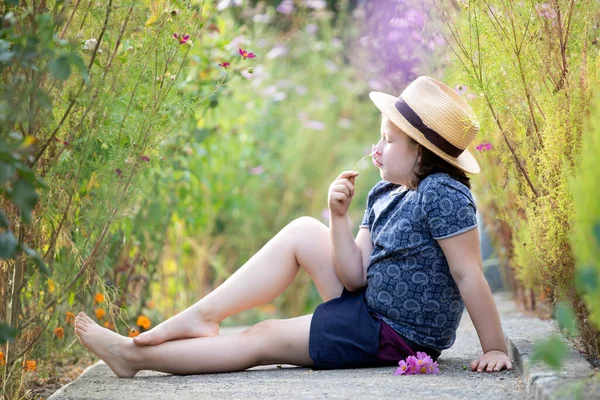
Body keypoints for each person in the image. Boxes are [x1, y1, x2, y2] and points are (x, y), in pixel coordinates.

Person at [74, 75, 512, 377]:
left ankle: (133, 358)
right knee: (306, 228)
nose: (376, 149)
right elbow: (354, 274)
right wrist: (338, 218)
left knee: (261, 338)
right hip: (371, 306)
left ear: (421, 152)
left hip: (395, 335)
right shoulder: (385, 193)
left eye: (388, 141)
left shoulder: (442, 192)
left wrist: (493, 347)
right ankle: (202, 316)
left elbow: (467, 272)